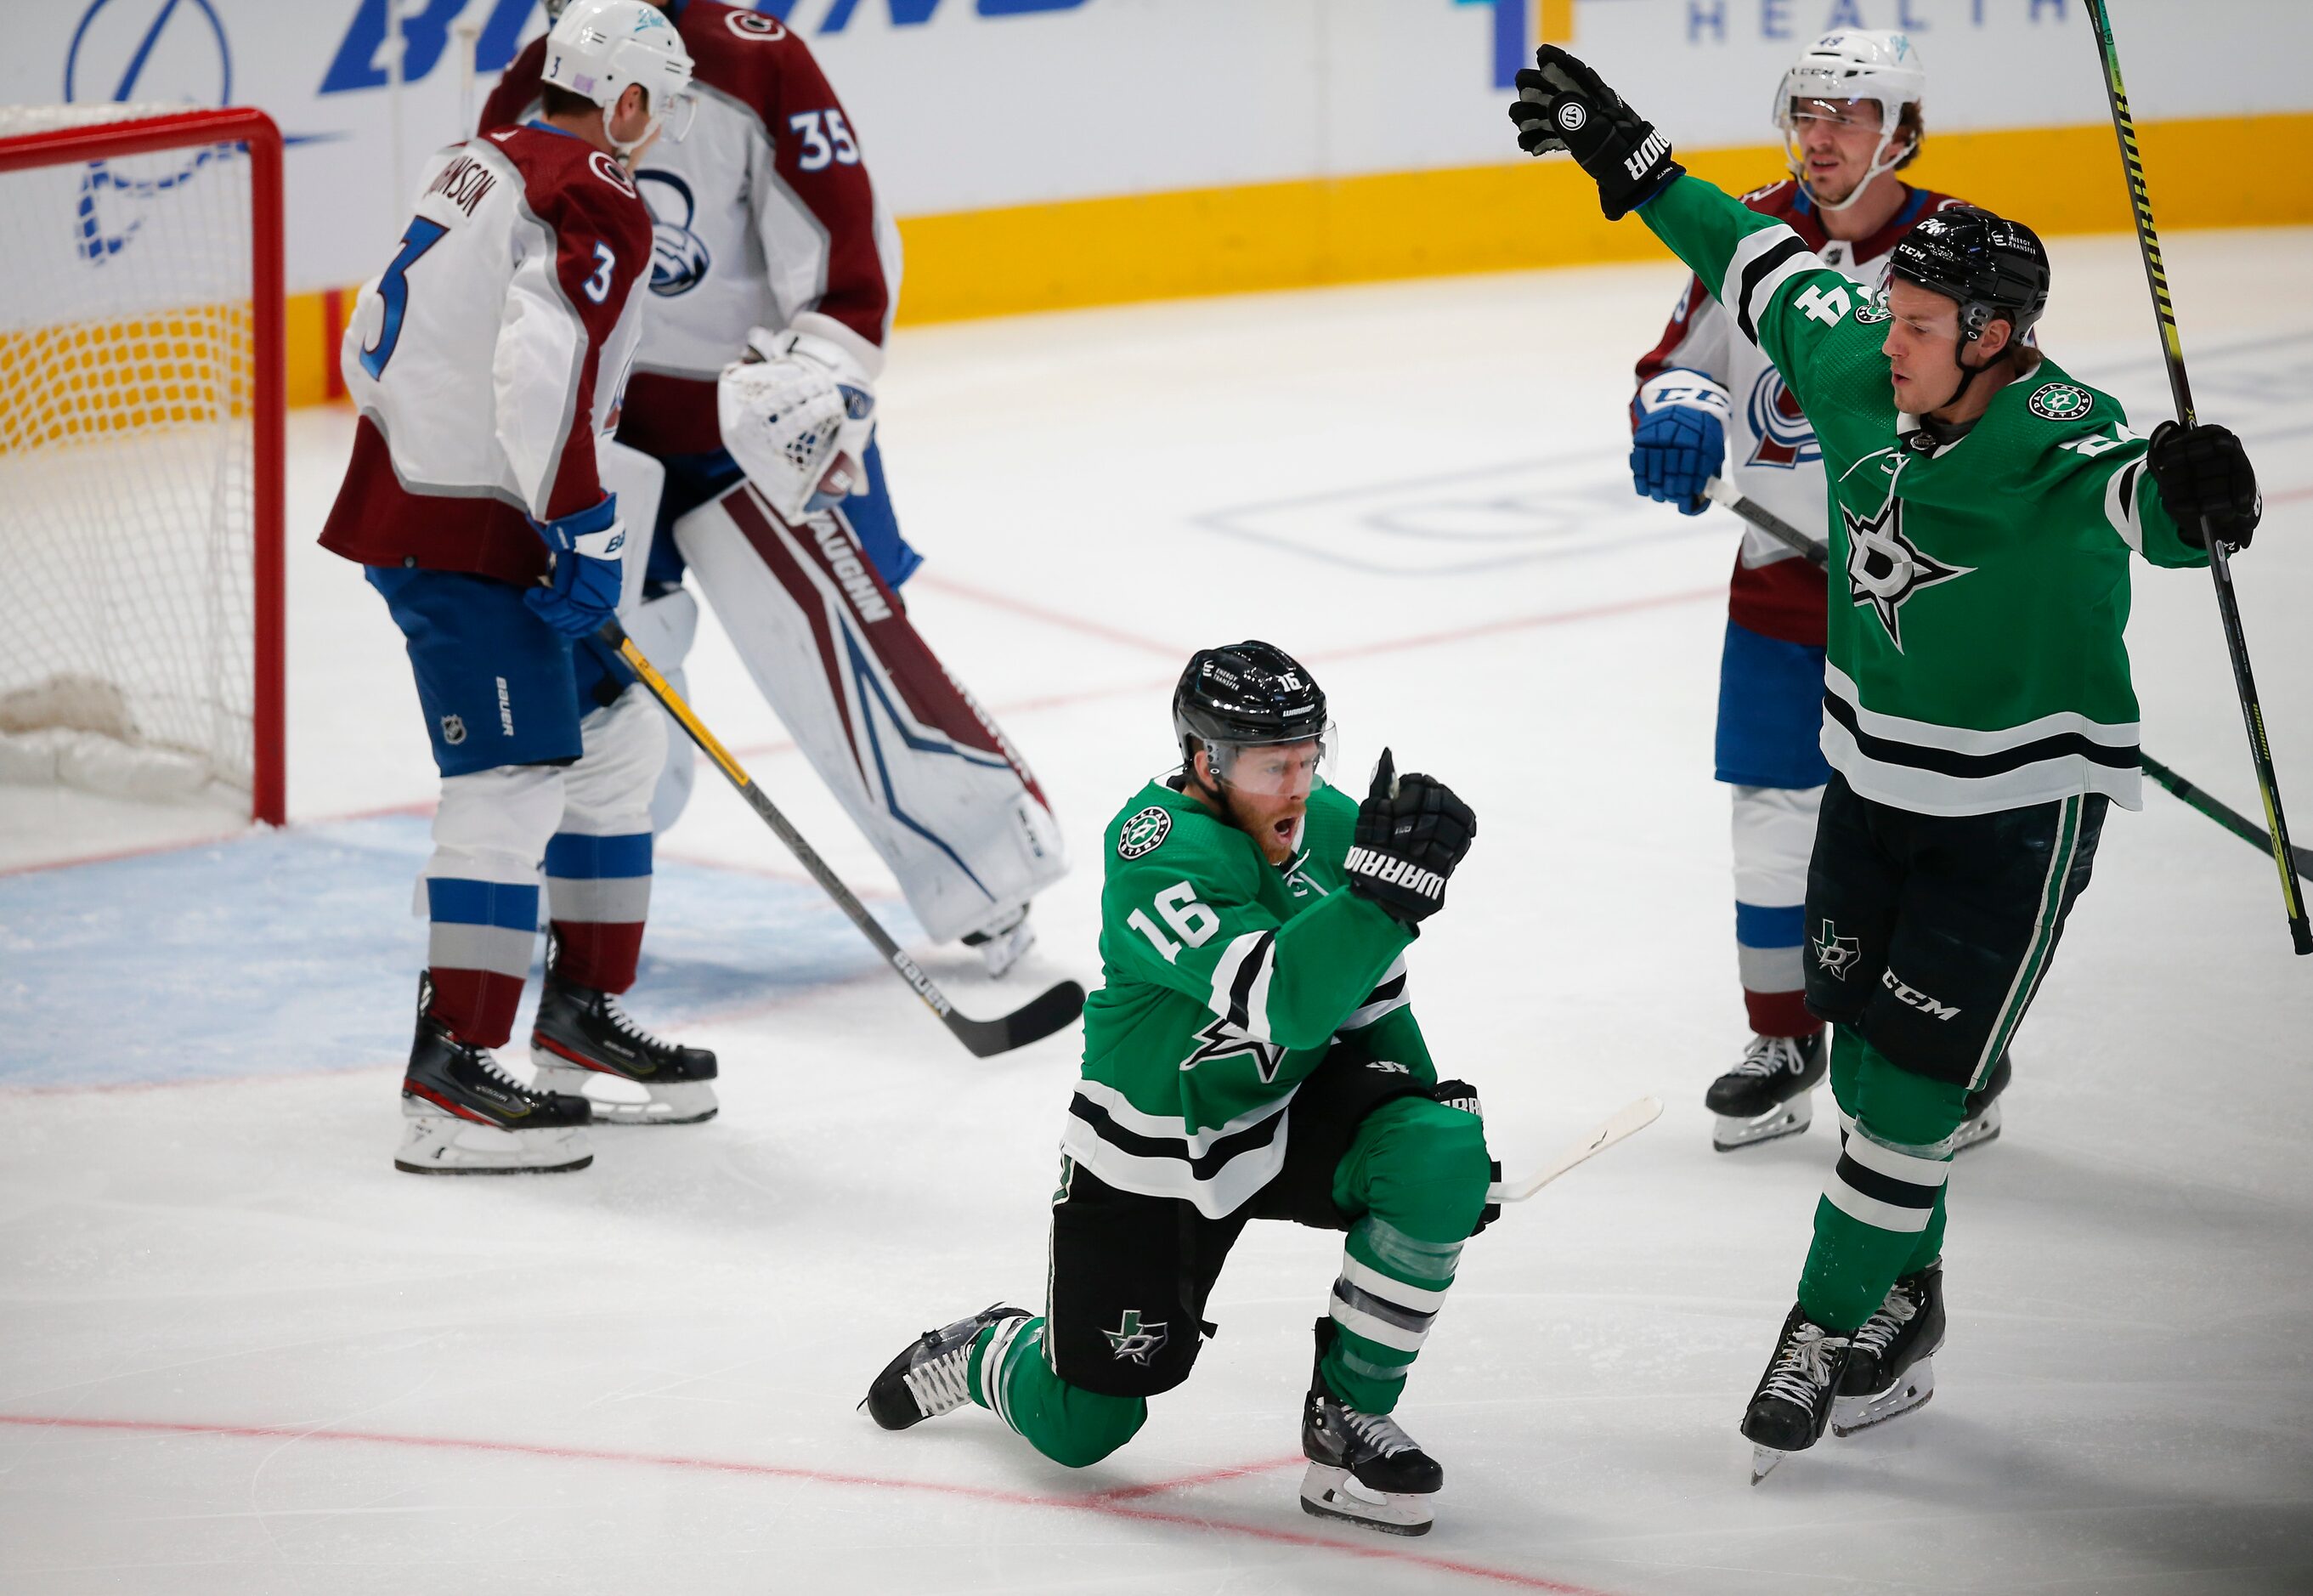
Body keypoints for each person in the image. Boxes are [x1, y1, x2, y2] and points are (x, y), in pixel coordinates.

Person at [1512, 47, 2264, 1476]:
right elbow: (1746, 257)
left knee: (1913, 1093)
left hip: (2011, 821)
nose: (1883, 338)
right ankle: (1904, 1299)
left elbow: (2150, 513)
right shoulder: (1860, 352)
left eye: (1915, 322)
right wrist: (1628, 155)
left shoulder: (2067, 438)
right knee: (1862, 1070)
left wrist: (2201, 498)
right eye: (1888, 312)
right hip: (1868, 789)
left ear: (1990, 336)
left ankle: (1825, 1314)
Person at [483, 0, 1066, 978]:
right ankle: (575, 889)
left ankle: (986, 874)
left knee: (840, 642)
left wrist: (816, 373)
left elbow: (847, 254)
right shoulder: (532, 78)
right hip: (596, 436)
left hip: (739, 425)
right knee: (604, 681)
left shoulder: (758, 62)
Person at [858, 643, 1490, 1537]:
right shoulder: (1157, 850)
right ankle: (992, 1348)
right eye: (1275, 767)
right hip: (1155, 1148)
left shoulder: (1336, 828)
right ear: (1206, 761)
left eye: (1310, 759)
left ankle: (1346, 1416)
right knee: (1087, 1427)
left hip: (1287, 1111)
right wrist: (1382, 901)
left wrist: (1426, 1108)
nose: (1299, 786)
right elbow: (1286, 1000)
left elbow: (1367, 1002)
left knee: (1439, 1155)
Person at [320, 0, 717, 1172]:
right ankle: (448, 1087)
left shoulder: (478, 159)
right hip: (473, 535)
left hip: (463, 509)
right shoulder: (592, 187)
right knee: (508, 782)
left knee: (614, 737)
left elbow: (365, 346)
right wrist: (585, 528)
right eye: (659, 104)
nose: (660, 128)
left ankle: (574, 1023)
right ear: (628, 99)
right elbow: (543, 367)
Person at [1629, 31, 2008, 1155]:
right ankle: (1782, 1037)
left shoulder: (1957, 251)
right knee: (1768, 817)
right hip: (1778, 584)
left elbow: (1996, 420)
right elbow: (1680, 356)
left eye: (1848, 114)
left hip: (1913, 598)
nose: (1820, 135)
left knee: (1924, 826)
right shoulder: (1746, 229)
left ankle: (1949, 1049)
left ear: (1901, 130)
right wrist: (1678, 411)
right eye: (1807, 111)